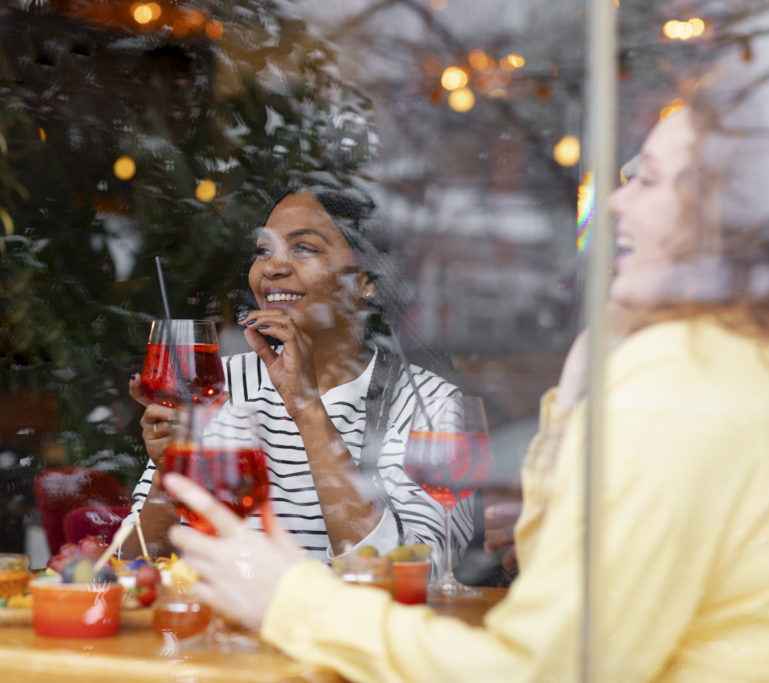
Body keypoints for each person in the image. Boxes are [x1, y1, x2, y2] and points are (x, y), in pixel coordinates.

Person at [162, 50, 769, 682]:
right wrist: (575, 396)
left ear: (724, 216)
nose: (615, 205)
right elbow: (555, 582)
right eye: (265, 251)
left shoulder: (675, 387)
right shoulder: (724, 366)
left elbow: (521, 655)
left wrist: (289, 602)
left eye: (646, 180)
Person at [124, 180, 472, 563]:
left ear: (366, 282)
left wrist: (307, 408)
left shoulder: (428, 405)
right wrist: (168, 474)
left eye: (303, 247)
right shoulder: (215, 387)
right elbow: (131, 562)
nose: (272, 267)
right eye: (263, 251)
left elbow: (422, 571)